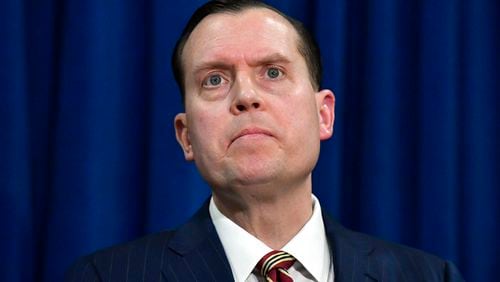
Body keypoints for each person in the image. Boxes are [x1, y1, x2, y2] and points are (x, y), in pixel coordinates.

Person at [66, 1, 464, 281]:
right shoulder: (104, 277)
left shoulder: (430, 276)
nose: (245, 96)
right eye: (215, 80)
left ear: (324, 114)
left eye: (272, 73)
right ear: (186, 137)